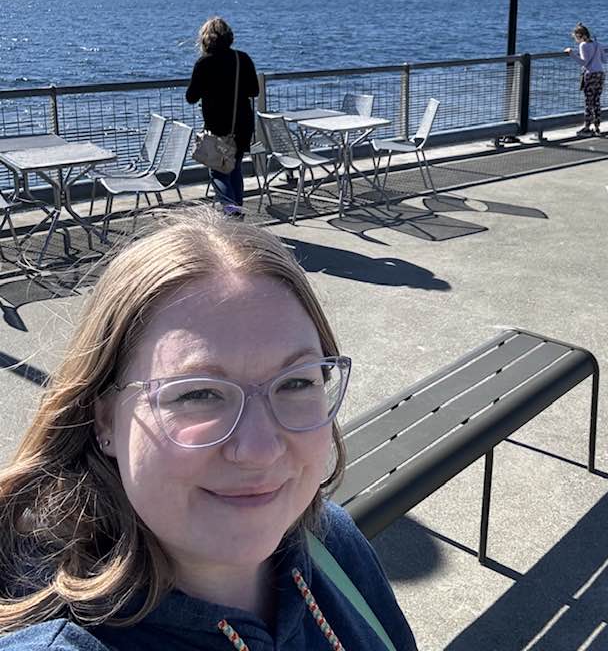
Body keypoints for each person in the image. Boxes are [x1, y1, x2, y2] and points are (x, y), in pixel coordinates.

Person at [0, 208, 417, 651]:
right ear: (105, 418)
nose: (260, 449)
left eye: (296, 382)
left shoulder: (326, 540)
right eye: (198, 394)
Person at [186, 17, 259, 213]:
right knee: (234, 170)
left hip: (218, 127)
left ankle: (232, 214)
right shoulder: (242, 58)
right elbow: (254, 91)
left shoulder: (204, 63)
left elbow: (191, 97)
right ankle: (237, 216)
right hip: (242, 125)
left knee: (218, 173)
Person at [564, 23, 608, 136]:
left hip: (590, 75)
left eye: (575, 37)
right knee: (596, 100)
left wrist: (571, 54)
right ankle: (597, 127)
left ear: (580, 35)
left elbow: (584, 62)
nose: (576, 40)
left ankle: (587, 127)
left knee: (588, 102)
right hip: (600, 74)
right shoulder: (598, 44)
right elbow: (605, 60)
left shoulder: (583, 45)